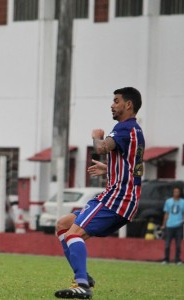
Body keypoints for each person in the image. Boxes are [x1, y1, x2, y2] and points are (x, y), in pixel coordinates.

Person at [54, 87, 145, 299]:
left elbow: (102, 148)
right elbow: (135, 166)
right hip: (115, 196)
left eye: (116, 101)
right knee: (63, 224)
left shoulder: (124, 128)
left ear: (128, 105)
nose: (112, 105)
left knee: (74, 234)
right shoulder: (134, 131)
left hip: (118, 198)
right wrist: (109, 169)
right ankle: (83, 275)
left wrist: (97, 137)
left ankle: (82, 284)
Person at [161, 187, 184, 265]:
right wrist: (164, 224)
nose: (176, 193)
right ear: (173, 192)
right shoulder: (168, 202)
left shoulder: (182, 202)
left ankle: (177, 260)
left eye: (177, 192)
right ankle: (166, 259)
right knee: (167, 244)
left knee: (178, 245)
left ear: (179, 193)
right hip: (169, 225)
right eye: (175, 191)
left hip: (179, 226)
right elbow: (166, 213)